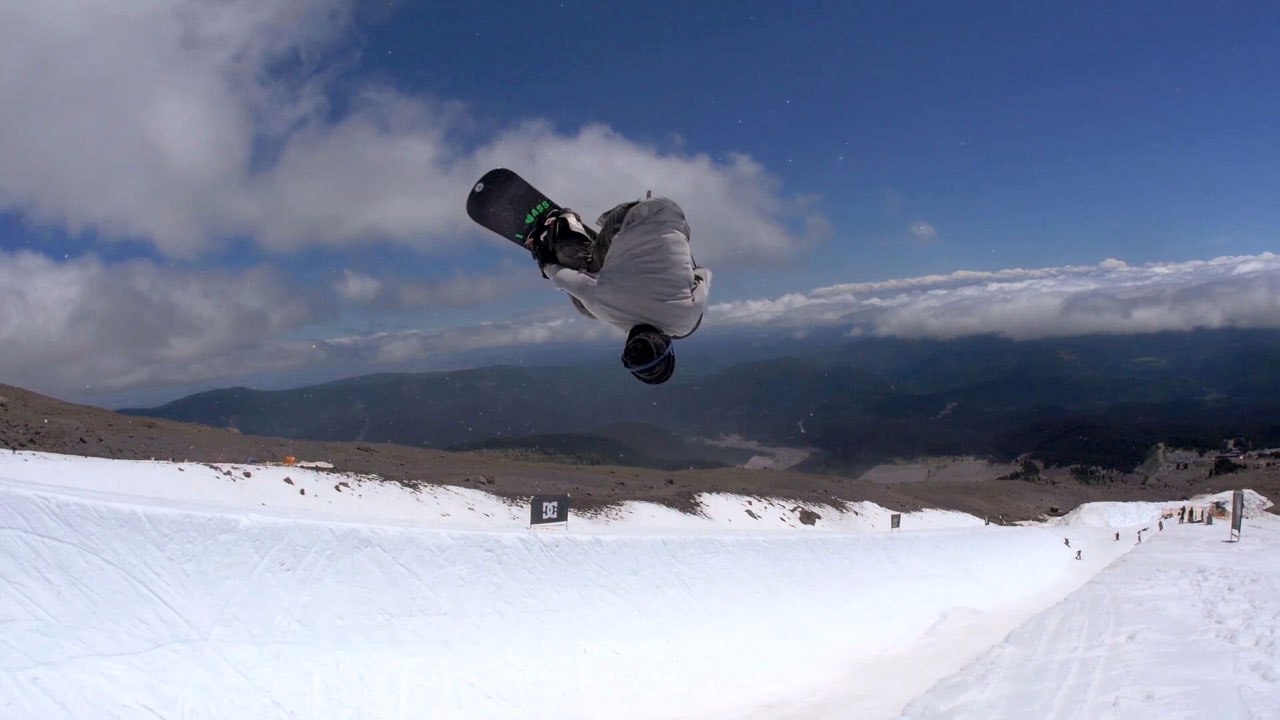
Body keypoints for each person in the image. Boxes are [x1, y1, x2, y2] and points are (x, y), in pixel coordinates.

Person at [524, 196, 711, 385]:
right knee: (584, 304)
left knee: (592, 288)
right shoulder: (602, 305)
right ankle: (565, 228)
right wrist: (546, 264)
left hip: (669, 215)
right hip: (624, 222)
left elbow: (704, 273)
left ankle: (601, 254)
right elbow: (562, 278)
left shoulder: (686, 320)